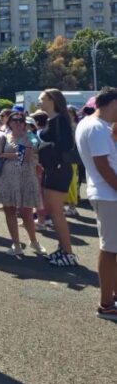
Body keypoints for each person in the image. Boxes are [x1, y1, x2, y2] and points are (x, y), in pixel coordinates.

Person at [75, 88, 117, 321]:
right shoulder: (97, 127)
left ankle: (112, 298)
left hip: (106, 193)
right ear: (113, 104)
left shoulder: (92, 124)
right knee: (109, 249)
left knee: (112, 248)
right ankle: (106, 304)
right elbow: (103, 166)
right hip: (108, 194)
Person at [0, 112, 48, 256]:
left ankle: (34, 241)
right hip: (6, 179)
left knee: (26, 212)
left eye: (21, 120)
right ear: (9, 122)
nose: (18, 122)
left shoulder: (31, 136)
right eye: (14, 120)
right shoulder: (4, 136)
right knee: (9, 211)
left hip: (26, 178)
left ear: (24, 122)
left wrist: (4, 155)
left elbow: (25, 156)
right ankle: (16, 244)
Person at [37, 89, 78, 267]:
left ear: (51, 100)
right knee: (53, 211)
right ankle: (63, 249)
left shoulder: (60, 120)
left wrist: (45, 150)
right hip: (51, 168)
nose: (39, 101)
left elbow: (66, 145)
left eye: (42, 98)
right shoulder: (52, 120)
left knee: (56, 211)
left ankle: (68, 253)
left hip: (59, 169)